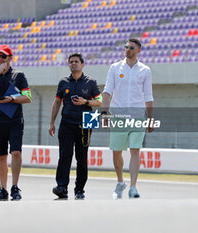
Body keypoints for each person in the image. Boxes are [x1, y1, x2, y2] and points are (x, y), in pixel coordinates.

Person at [102, 38, 154, 199]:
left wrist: (150, 118)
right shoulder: (115, 68)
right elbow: (107, 91)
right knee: (117, 152)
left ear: (138, 50)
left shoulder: (145, 70)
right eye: (126, 47)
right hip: (118, 115)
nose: (127, 49)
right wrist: (104, 113)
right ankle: (120, 182)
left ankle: (133, 187)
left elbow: (148, 95)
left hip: (138, 115)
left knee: (135, 150)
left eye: (131, 47)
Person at [49, 53, 102, 200]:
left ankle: (80, 189)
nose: (73, 64)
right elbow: (57, 103)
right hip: (66, 122)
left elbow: (100, 101)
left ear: (82, 64)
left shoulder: (91, 82)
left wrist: (85, 102)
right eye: (71, 62)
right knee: (64, 156)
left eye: (76, 61)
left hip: (87, 121)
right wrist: (52, 122)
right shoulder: (63, 82)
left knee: (82, 157)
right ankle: (61, 187)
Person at [0, 44, 32, 201]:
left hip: (15, 120)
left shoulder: (19, 75)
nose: (1, 59)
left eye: (4, 56)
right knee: (1, 156)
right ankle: (3, 189)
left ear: (10, 58)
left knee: (16, 152)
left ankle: (14, 186)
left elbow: (28, 97)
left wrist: (12, 99)